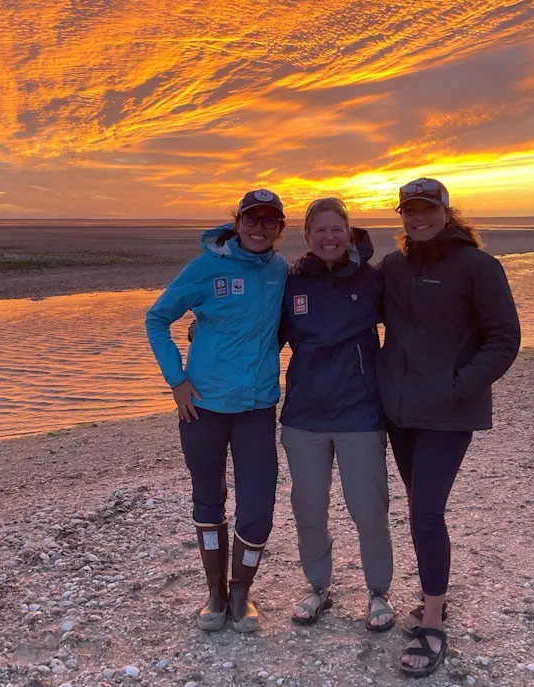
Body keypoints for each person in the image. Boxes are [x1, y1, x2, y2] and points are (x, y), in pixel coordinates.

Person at [378, 178, 521, 677]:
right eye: (408, 210)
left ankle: (433, 620)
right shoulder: (394, 266)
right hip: (399, 413)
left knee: (424, 513)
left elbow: (504, 338)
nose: (417, 218)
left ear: (445, 211)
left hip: (447, 414)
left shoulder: (478, 267)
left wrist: (458, 386)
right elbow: (349, 304)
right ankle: (434, 594)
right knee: (422, 507)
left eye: (426, 209)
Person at [145, 189, 288, 633]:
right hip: (202, 408)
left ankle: (242, 593)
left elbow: (283, 326)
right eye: (252, 219)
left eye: (269, 221)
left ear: (280, 229)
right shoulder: (206, 267)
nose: (259, 228)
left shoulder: (281, 272)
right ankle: (215, 593)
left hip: (258, 406)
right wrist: (177, 381)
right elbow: (156, 318)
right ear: (237, 222)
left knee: (259, 505)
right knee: (208, 497)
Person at [279, 198, 395, 631]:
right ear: (306, 237)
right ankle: (318, 586)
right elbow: (259, 333)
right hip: (304, 415)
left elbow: (414, 325)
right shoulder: (291, 283)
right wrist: (209, 329)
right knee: (308, 506)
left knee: (368, 508)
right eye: (320, 230)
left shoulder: (373, 280)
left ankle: (378, 591)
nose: (329, 237)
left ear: (349, 233)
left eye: (337, 229)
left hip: (360, 414)